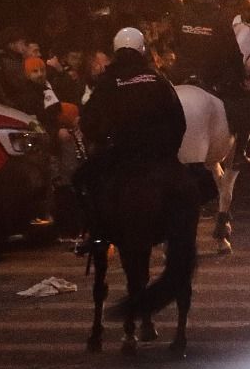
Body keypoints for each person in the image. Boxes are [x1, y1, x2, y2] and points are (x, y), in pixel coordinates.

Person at [77, 27, 187, 250]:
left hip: (120, 154)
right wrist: (168, 151)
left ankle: (96, 233)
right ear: (142, 50)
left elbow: (88, 121)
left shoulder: (107, 82)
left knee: (83, 180)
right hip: (157, 155)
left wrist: (103, 140)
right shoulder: (158, 79)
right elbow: (179, 121)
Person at [173, 0, 248, 249]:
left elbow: (177, 46)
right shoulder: (223, 17)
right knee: (244, 110)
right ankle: (247, 150)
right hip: (214, 82)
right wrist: (238, 75)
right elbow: (232, 54)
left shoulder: (181, 16)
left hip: (182, 76)